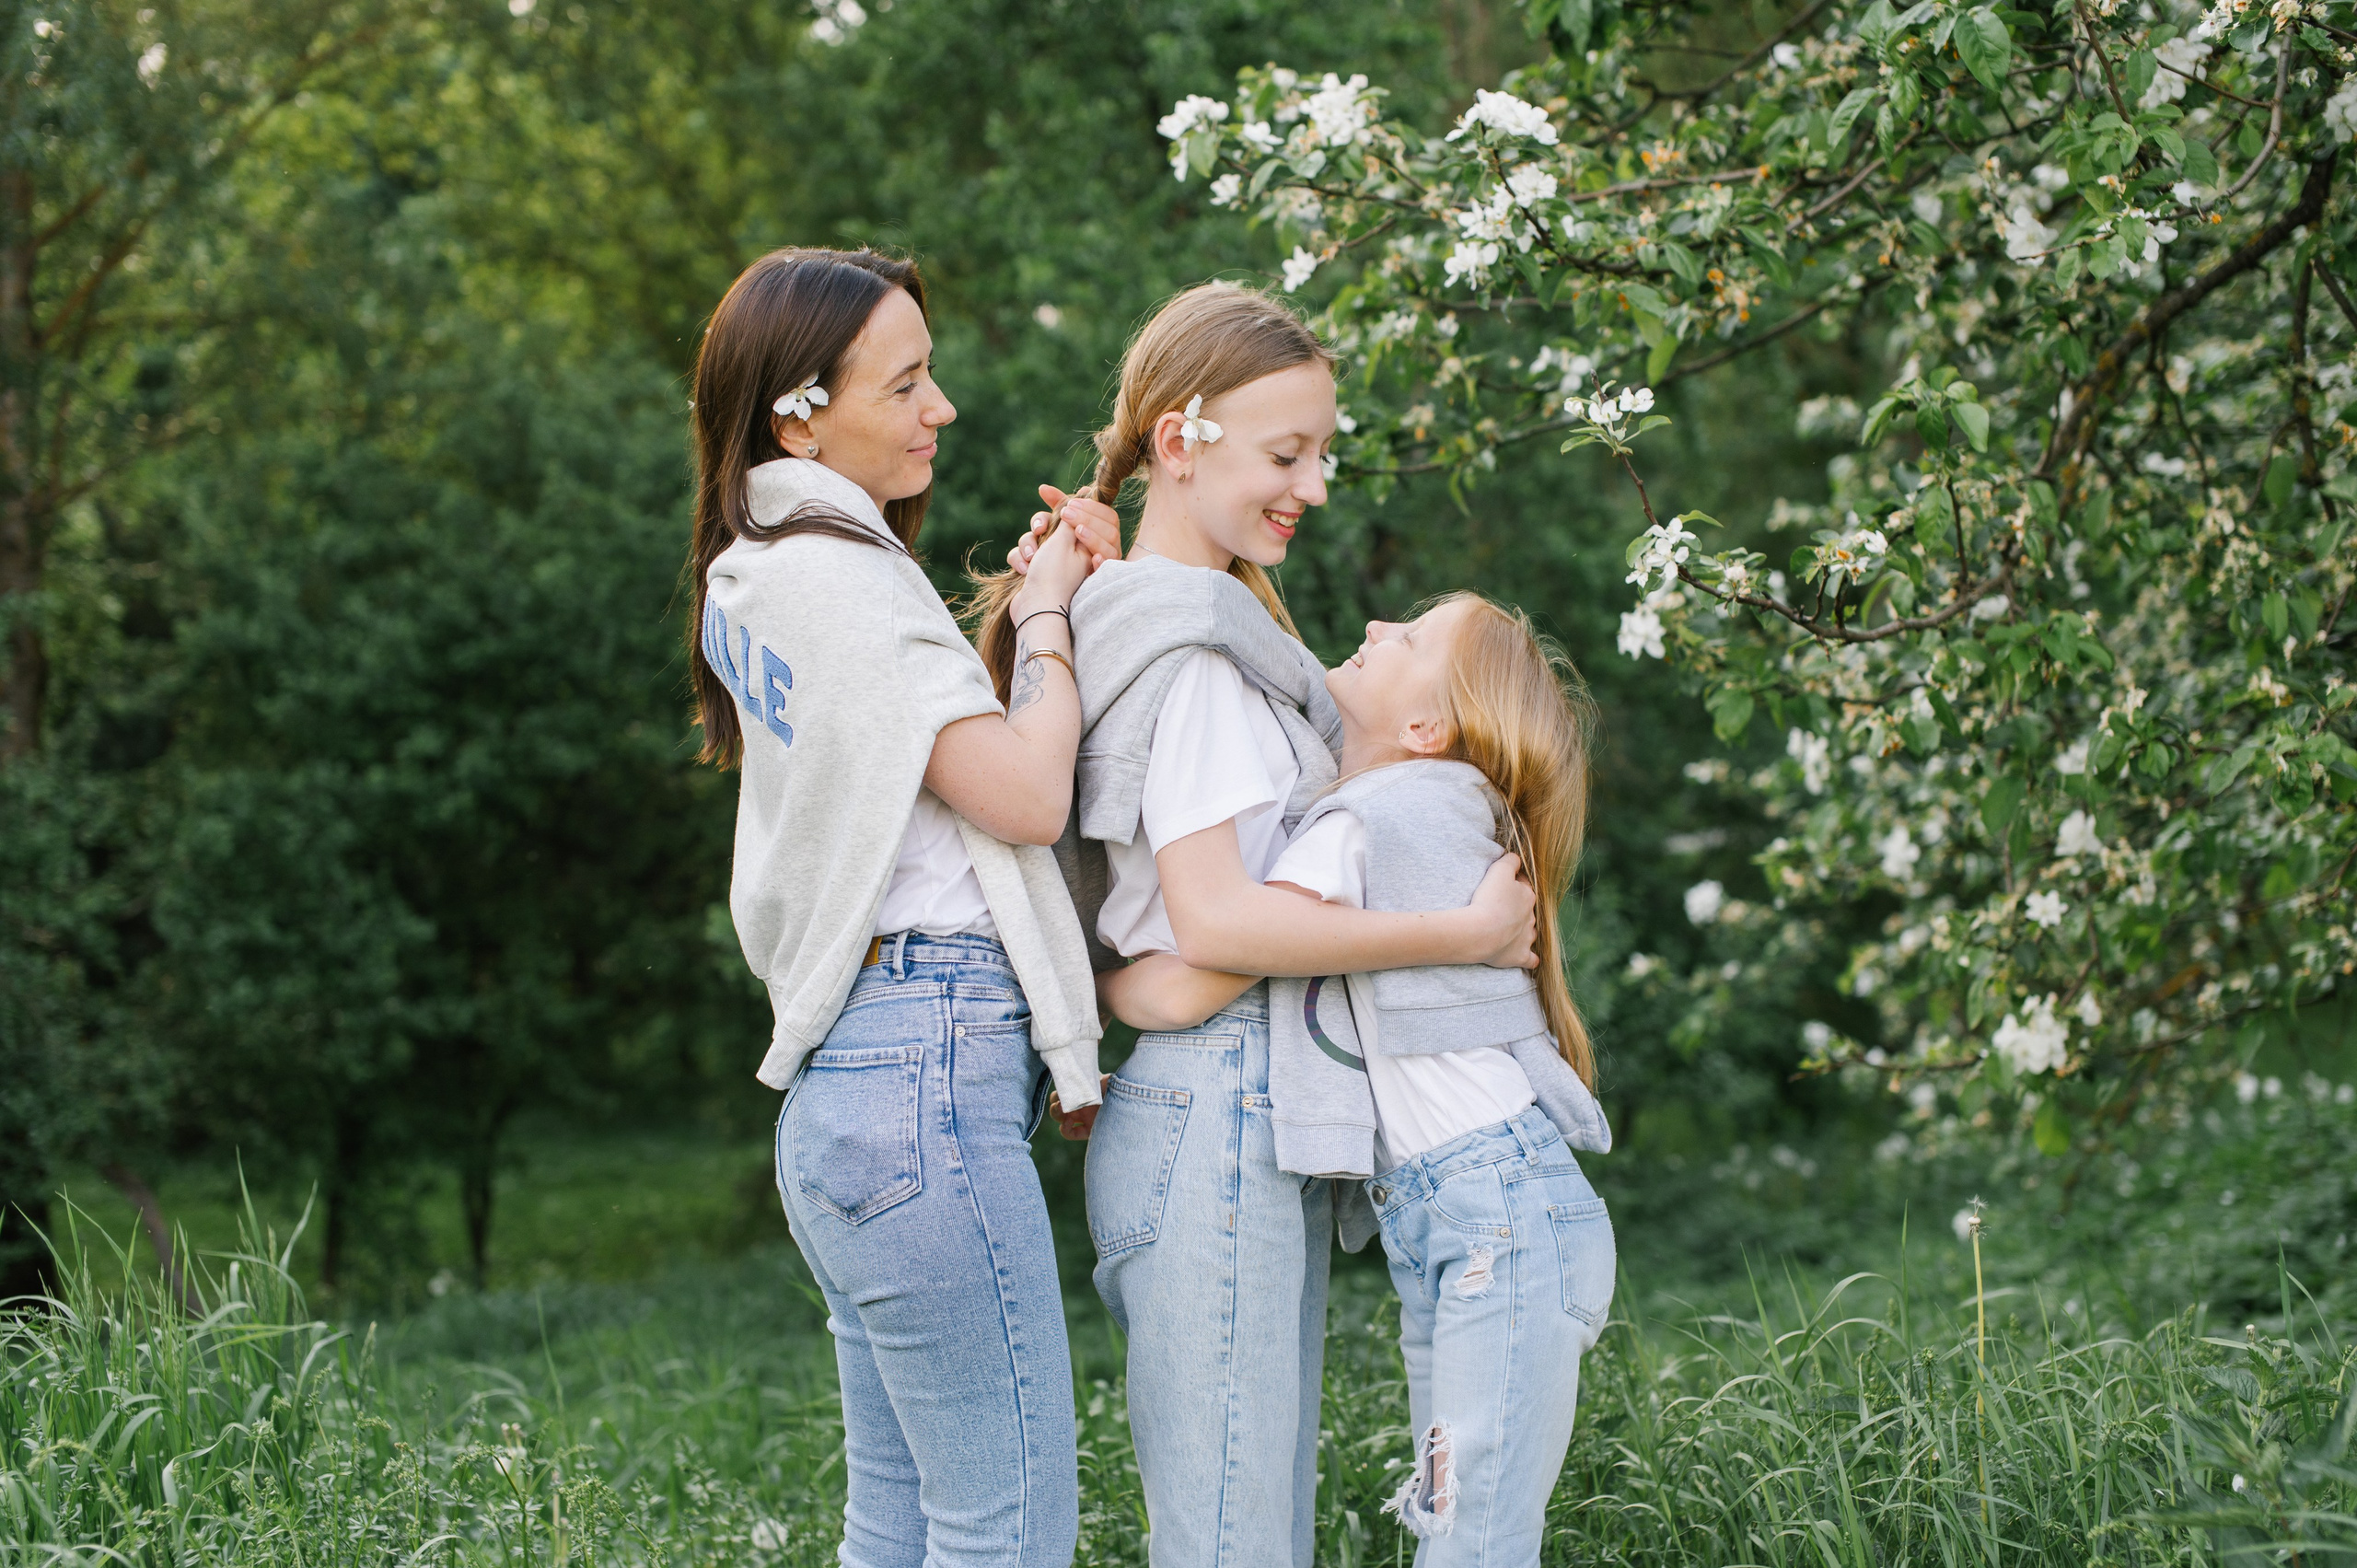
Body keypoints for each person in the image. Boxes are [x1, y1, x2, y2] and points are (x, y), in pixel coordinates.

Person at [991, 282, 1540, 1568]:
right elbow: (1218, 910)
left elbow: (1178, 935)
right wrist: (1457, 935)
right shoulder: (1198, 660)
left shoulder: (1157, 620)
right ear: (1183, 441)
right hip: (1212, 1120)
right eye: (1287, 453)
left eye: (1322, 452)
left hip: (1199, 1108)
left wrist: (1148, 983)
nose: (1316, 483)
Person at [684, 246, 1120, 1568]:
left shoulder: (758, 573)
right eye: (910, 380)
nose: (942, 409)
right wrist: (1049, 616)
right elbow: (1023, 794)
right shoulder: (838, 577)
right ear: (799, 411)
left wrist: (1016, 618)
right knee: (1011, 1531)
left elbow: (913, 770)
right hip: (922, 1070)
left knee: (906, 1528)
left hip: (850, 1090)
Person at [1108, 592, 1618, 1568]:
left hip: (1492, 1221)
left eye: (1412, 637)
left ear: (1425, 728)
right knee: (1461, 1527)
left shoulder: (1378, 815)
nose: (1379, 627)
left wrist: (1085, 983)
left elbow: (1206, 970)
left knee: (1469, 1539)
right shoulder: (1430, 809)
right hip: (1480, 1216)